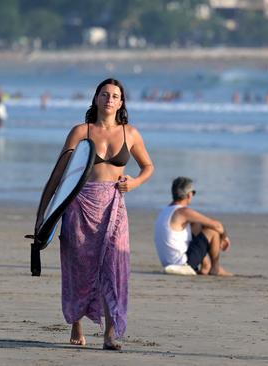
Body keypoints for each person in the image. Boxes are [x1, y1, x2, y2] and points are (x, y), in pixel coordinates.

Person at [58, 78, 154, 350]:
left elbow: (148, 167)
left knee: (115, 269)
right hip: (80, 205)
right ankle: (76, 322)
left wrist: (133, 183)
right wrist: (47, 212)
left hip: (114, 207)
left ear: (121, 102)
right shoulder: (81, 131)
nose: (109, 99)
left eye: (115, 96)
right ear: (96, 98)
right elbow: (61, 172)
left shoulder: (130, 133)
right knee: (79, 267)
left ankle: (110, 333)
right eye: (105, 94)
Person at [154, 177, 232, 276]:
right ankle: (215, 268)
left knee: (196, 224)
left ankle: (206, 266)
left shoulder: (166, 211)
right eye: (193, 193)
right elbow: (217, 225)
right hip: (182, 264)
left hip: (168, 263)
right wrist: (224, 237)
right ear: (189, 194)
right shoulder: (183, 212)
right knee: (212, 231)